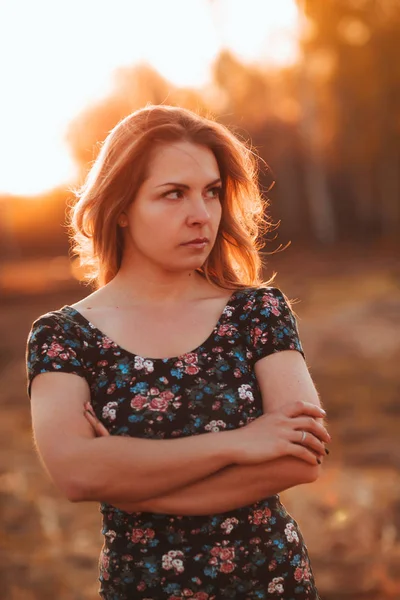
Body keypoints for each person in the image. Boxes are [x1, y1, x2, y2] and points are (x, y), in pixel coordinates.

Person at [25, 104, 330, 600]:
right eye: (173, 194)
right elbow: (77, 474)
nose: (201, 215)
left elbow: (300, 460)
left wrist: (129, 480)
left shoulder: (257, 312)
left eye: (211, 192)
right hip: (144, 587)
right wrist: (239, 443)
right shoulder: (65, 337)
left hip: (269, 581)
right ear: (121, 207)